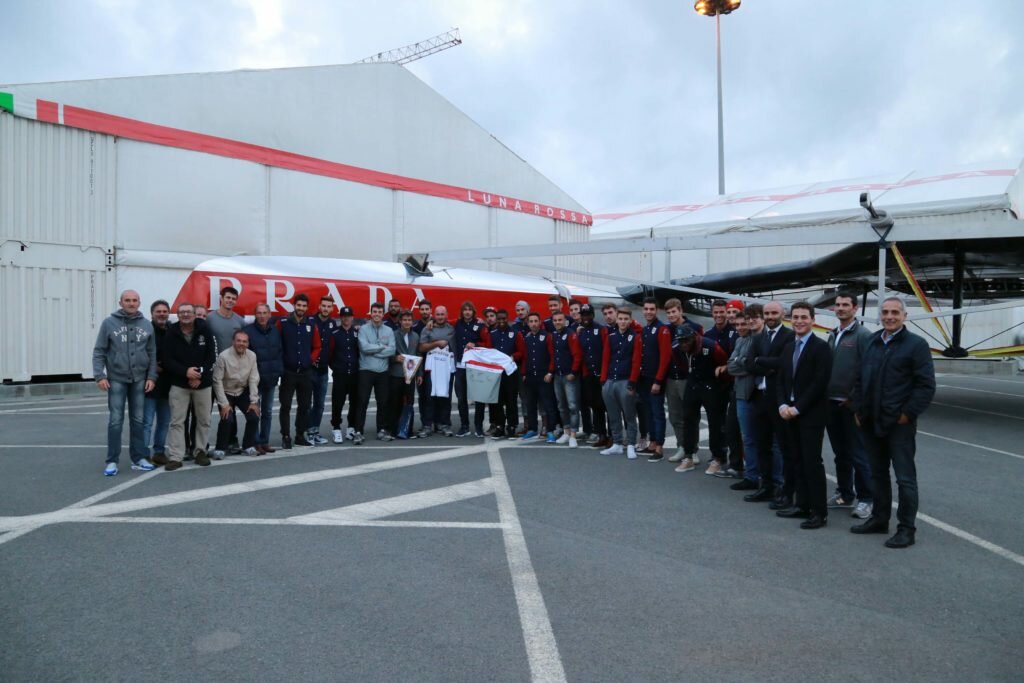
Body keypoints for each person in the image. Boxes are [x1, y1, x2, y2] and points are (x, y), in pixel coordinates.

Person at [852, 296, 936, 549]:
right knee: (877, 474)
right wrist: (857, 408)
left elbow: (925, 386)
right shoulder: (872, 342)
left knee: (904, 478)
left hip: (898, 424)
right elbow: (859, 378)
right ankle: (879, 518)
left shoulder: (916, 345)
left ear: (904, 316)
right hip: (870, 420)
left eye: (894, 312)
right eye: (885, 312)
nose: (889, 316)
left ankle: (906, 528)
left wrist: (907, 414)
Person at [775, 302, 832, 529]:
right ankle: (802, 505)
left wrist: (797, 408)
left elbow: (819, 384)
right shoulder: (789, 347)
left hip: (810, 415)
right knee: (795, 460)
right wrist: (781, 405)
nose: (799, 321)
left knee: (811, 462)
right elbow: (780, 378)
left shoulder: (821, 347)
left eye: (803, 317)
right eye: (795, 317)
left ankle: (819, 512)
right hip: (788, 413)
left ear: (812, 319)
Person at [92, 289, 158, 475]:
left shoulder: (146, 325)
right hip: (117, 379)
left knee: (138, 420)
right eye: (127, 300)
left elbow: (152, 353)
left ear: (139, 302)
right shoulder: (109, 323)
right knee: (115, 421)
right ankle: (112, 461)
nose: (131, 303)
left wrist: (152, 377)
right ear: (120, 302)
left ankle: (138, 458)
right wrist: (100, 375)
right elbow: (99, 351)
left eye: (134, 300)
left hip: (139, 379)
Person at [826, 291, 874, 519]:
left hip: (851, 407)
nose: (841, 308)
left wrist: (854, 400)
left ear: (855, 309)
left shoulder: (863, 335)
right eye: (838, 305)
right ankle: (845, 493)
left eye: (846, 304)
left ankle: (867, 499)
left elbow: (868, 371)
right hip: (831, 405)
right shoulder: (833, 334)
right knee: (840, 454)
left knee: (859, 454)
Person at [744, 301, 794, 504]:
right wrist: (767, 365)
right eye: (767, 313)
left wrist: (760, 361)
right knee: (761, 443)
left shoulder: (789, 336)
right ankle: (766, 486)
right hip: (759, 397)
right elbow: (748, 363)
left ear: (782, 314)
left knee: (782, 445)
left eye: (774, 312)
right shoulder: (759, 337)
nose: (770, 316)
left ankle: (782, 486)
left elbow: (784, 364)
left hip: (779, 399)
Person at [162, 302, 217, 470]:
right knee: (177, 421)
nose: (185, 315)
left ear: (194, 315)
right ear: (177, 315)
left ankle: (200, 451)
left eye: (189, 312)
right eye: (182, 312)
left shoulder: (205, 330)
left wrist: (198, 374)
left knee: (203, 420)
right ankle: (176, 456)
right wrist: (185, 372)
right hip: (179, 383)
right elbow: (167, 359)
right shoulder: (171, 332)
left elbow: (211, 357)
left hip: (203, 383)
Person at [674, 326, 729, 472]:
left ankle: (718, 457)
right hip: (692, 383)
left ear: (693, 338)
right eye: (680, 341)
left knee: (715, 422)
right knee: (688, 419)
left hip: (711, 384)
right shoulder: (677, 348)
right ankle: (689, 456)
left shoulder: (710, 346)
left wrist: (721, 384)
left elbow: (724, 362)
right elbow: (681, 366)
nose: (683, 344)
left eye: (686, 341)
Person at [277, 293, 321, 449]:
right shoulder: (283, 323)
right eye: (299, 305)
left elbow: (317, 346)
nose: (301, 308)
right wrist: (282, 364)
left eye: (304, 306)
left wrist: (310, 359)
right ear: (294, 305)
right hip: (288, 372)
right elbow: (278, 346)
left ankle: (299, 435)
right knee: (286, 406)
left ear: (307, 308)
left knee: (304, 405)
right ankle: (286, 435)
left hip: (305, 373)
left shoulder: (311, 324)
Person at [205, 286, 246, 452]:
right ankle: (201, 444)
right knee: (205, 410)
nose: (230, 301)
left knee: (230, 409)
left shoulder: (239, 321)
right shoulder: (210, 319)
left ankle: (231, 441)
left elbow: (243, 344)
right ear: (221, 298)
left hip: (230, 374)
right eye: (227, 297)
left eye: (233, 298)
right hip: (211, 371)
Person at [726, 304, 762, 491]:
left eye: (745, 323)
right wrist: (746, 363)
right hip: (742, 394)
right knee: (747, 438)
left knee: (765, 439)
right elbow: (731, 366)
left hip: (759, 395)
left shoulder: (760, 339)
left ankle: (768, 478)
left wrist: (743, 363)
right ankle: (752, 476)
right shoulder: (741, 341)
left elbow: (759, 365)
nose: (741, 327)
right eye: (738, 324)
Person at [600, 308, 643, 459]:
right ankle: (617, 444)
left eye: (626, 319)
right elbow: (605, 359)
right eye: (621, 319)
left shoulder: (635, 337)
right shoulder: (610, 337)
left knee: (629, 415)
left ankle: (631, 444)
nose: (623, 321)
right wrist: (603, 380)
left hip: (625, 381)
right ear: (617, 320)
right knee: (612, 415)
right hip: (610, 380)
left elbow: (636, 361)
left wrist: (632, 382)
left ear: (630, 321)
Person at [212, 330, 261, 457]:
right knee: (227, 418)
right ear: (233, 342)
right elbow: (217, 381)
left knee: (254, 416)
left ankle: (248, 446)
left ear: (248, 343)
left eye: (244, 341)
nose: (241, 344)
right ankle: (220, 448)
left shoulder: (252, 356)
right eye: (239, 340)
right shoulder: (223, 356)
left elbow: (254, 378)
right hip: (226, 391)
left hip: (242, 391)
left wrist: (254, 401)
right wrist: (223, 404)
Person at [244, 303, 283, 454]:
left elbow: (279, 352)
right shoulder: (248, 331)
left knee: (267, 412)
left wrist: (279, 371)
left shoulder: (275, 331)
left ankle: (264, 441)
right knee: (255, 412)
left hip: (271, 378)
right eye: (259, 313)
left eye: (264, 313)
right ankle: (254, 442)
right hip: (255, 380)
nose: (262, 316)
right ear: (255, 314)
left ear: (269, 314)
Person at [638, 298, 673, 461]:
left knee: (658, 413)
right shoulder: (646, 330)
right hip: (644, 378)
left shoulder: (662, 329)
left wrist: (658, 381)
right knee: (648, 412)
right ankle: (652, 443)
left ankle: (659, 446)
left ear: (657, 310)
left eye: (652, 309)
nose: (648, 312)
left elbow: (665, 357)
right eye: (646, 309)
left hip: (655, 379)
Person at [356, 302, 396, 441]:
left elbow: (391, 350)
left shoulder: (389, 331)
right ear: (371, 313)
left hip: (383, 371)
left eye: (379, 312)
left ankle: (381, 430)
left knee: (383, 402)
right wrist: (380, 347)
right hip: (366, 370)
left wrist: (374, 351)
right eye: (374, 311)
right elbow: (364, 348)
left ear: (383, 314)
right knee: (362, 401)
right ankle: (358, 431)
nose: (377, 314)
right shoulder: (363, 329)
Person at [452, 301, 492, 437]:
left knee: (479, 397)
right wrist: (431, 322)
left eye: (469, 310)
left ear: (473, 312)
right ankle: (464, 426)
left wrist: (475, 344)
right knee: (461, 397)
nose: (467, 312)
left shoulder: (480, 325)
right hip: (460, 366)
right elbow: (442, 321)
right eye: (465, 310)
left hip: (476, 366)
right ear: (462, 312)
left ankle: (479, 426)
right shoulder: (457, 323)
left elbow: (488, 343)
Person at [418, 305, 457, 437]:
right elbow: (421, 347)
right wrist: (436, 343)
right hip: (431, 368)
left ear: (446, 315)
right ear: (434, 315)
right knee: (429, 397)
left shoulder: (452, 329)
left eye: (442, 314)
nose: (440, 317)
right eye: (438, 314)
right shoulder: (427, 329)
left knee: (445, 396)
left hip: (447, 367)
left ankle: (444, 424)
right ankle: (427, 425)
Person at [143, 299, 172, 466]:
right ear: (152, 314)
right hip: (149, 384)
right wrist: (153, 366)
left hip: (167, 385)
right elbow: (140, 353)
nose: (162, 314)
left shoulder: (172, 330)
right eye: (158, 311)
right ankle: (144, 454)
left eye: (164, 311)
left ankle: (159, 452)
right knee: (147, 422)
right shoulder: (146, 330)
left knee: (164, 421)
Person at [520, 312, 557, 440]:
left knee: (548, 404)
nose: (533, 324)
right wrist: (524, 373)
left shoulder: (547, 337)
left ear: (540, 322)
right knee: (530, 404)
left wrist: (550, 372)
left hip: (544, 376)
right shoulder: (527, 338)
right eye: (531, 321)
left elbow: (553, 356)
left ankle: (551, 430)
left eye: (536, 321)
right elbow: (525, 358)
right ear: (528, 323)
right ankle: (532, 429)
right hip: (530, 376)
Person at [489, 309, 526, 438]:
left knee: (511, 401)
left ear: (507, 318)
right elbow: (488, 351)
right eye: (499, 319)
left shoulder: (516, 334)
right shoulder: (492, 334)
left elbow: (522, 352)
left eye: (503, 318)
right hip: (496, 373)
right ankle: (499, 426)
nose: (501, 321)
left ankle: (512, 426)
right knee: (497, 401)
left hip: (511, 373)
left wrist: (513, 356)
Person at [577, 304, 609, 449]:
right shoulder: (581, 332)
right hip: (589, 375)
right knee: (595, 406)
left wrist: (604, 372)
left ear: (593, 315)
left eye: (588, 314)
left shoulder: (601, 330)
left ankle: (613, 436)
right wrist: (585, 374)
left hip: (602, 374)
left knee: (606, 405)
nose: (585, 318)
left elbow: (606, 352)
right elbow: (581, 354)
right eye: (583, 315)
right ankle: (601, 434)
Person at [308, 295, 339, 445]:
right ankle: (306, 432)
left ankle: (315, 431)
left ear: (332, 308)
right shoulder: (310, 321)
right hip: (310, 369)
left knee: (319, 404)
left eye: (329, 306)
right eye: (324, 306)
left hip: (324, 371)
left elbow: (333, 346)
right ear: (319, 307)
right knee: (306, 403)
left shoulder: (333, 324)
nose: (326, 309)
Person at [388, 310, 423, 439]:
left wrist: (419, 374)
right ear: (400, 321)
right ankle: (394, 429)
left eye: (409, 320)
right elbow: (387, 352)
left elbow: (418, 355)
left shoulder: (415, 336)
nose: (407, 322)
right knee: (395, 402)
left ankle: (408, 429)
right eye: (405, 320)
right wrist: (394, 358)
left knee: (409, 402)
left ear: (412, 322)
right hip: (396, 373)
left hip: (411, 374)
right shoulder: (393, 335)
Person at [663, 298, 690, 464]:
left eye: (674, 311)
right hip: (671, 379)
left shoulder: (693, 327)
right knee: (675, 416)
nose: (671, 315)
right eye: (668, 313)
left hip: (687, 379)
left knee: (690, 416)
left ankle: (691, 450)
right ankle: (682, 447)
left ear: (680, 311)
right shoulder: (666, 330)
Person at [550, 311, 583, 448]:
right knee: (561, 406)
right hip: (558, 375)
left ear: (565, 321)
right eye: (555, 320)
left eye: (560, 320)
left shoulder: (571, 334)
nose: (557, 322)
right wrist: (551, 372)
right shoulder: (554, 335)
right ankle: (566, 431)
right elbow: (553, 355)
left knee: (573, 406)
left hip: (569, 376)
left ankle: (574, 435)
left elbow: (577, 355)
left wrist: (574, 372)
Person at [328, 306, 360, 443]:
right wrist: (335, 367)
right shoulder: (334, 333)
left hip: (354, 373)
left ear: (352, 317)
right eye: (343, 316)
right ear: (340, 317)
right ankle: (336, 428)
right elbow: (329, 353)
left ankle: (351, 427)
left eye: (348, 316)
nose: (346, 318)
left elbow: (360, 352)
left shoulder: (358, 333)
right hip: (340, 373)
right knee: (338, 402)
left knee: (354, 402)